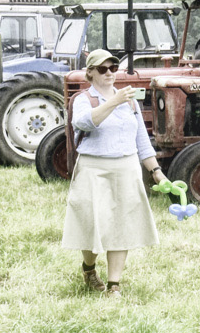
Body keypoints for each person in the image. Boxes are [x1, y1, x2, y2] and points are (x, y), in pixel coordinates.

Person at [59, 49, 165, 296]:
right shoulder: (84, 98)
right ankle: (89, 268)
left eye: (113, 68)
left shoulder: (130, 100)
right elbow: (84, 123)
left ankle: (113, 285)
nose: (109, 73)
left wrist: (156, 171)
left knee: (121, 226)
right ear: (91, 73)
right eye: (103, 69)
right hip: (93, 167)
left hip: (126, 168)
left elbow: (141, 139)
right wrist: (114, 101)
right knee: (92, 224)